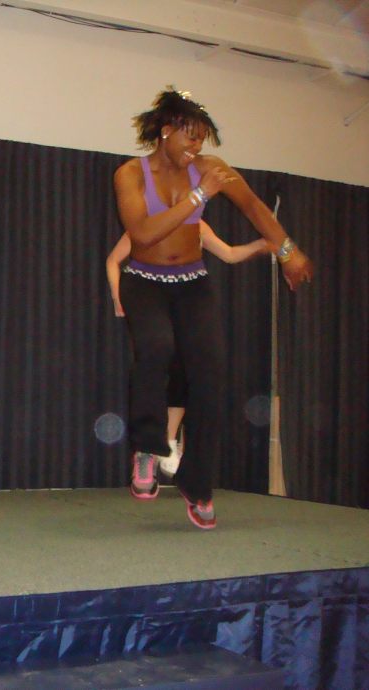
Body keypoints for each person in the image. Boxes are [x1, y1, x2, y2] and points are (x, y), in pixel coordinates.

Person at [112, 87, 313, 529]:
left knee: (209, 373)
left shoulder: (209, 168)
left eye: (203, 138)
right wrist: (199, 196)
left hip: (192, 284)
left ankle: (197, 483)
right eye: (191, 136)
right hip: (144, 281)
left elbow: (254, 207)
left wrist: (287, 251)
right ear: (167, 132)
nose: (197, 146)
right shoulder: (130, 174)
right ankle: (147, 448)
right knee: (156, 348)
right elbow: (142, 235)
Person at [105, 220, 271, 479]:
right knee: (158, 355)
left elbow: (228, 253)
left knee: (188, 367)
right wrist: (118, 297)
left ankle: (170, 441)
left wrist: (259, 245)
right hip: (149, 298)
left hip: (184, 301)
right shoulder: (146, 222)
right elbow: (113, 260)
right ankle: (149, 447)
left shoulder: (197, 225)